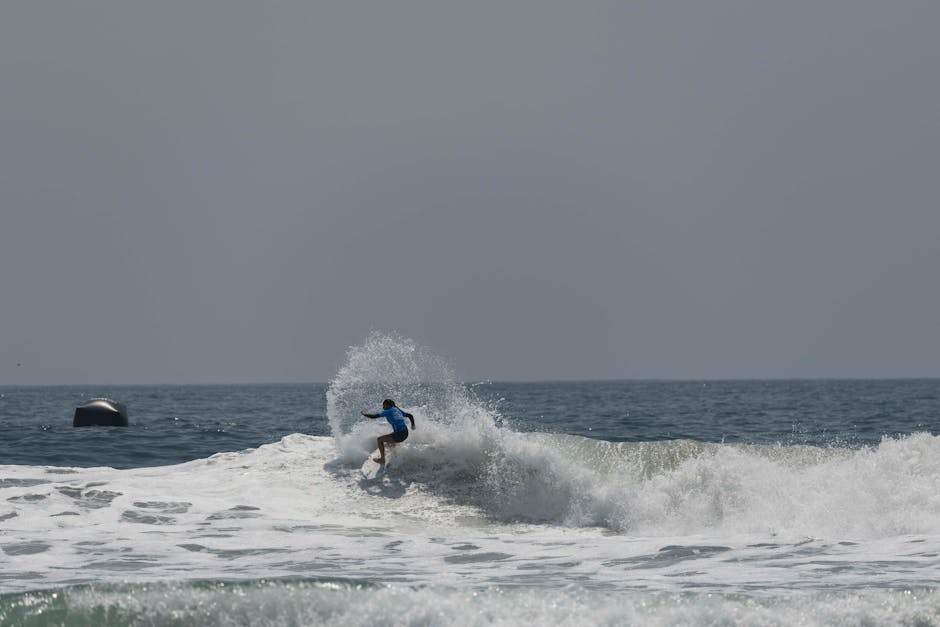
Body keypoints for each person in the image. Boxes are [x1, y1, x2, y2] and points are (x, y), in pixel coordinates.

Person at [360, 399, 416, 465]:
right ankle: (394, 453)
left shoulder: (388, 411)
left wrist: (364, 414)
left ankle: (382, 459)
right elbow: (410, 415)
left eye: (384, 405)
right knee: (390, 440)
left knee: (379, 439)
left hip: (399, 435)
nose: (383, 407)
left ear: (388, 405)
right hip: (405, 433)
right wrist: (413, 425)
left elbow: (374, 416)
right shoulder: (397, 410)